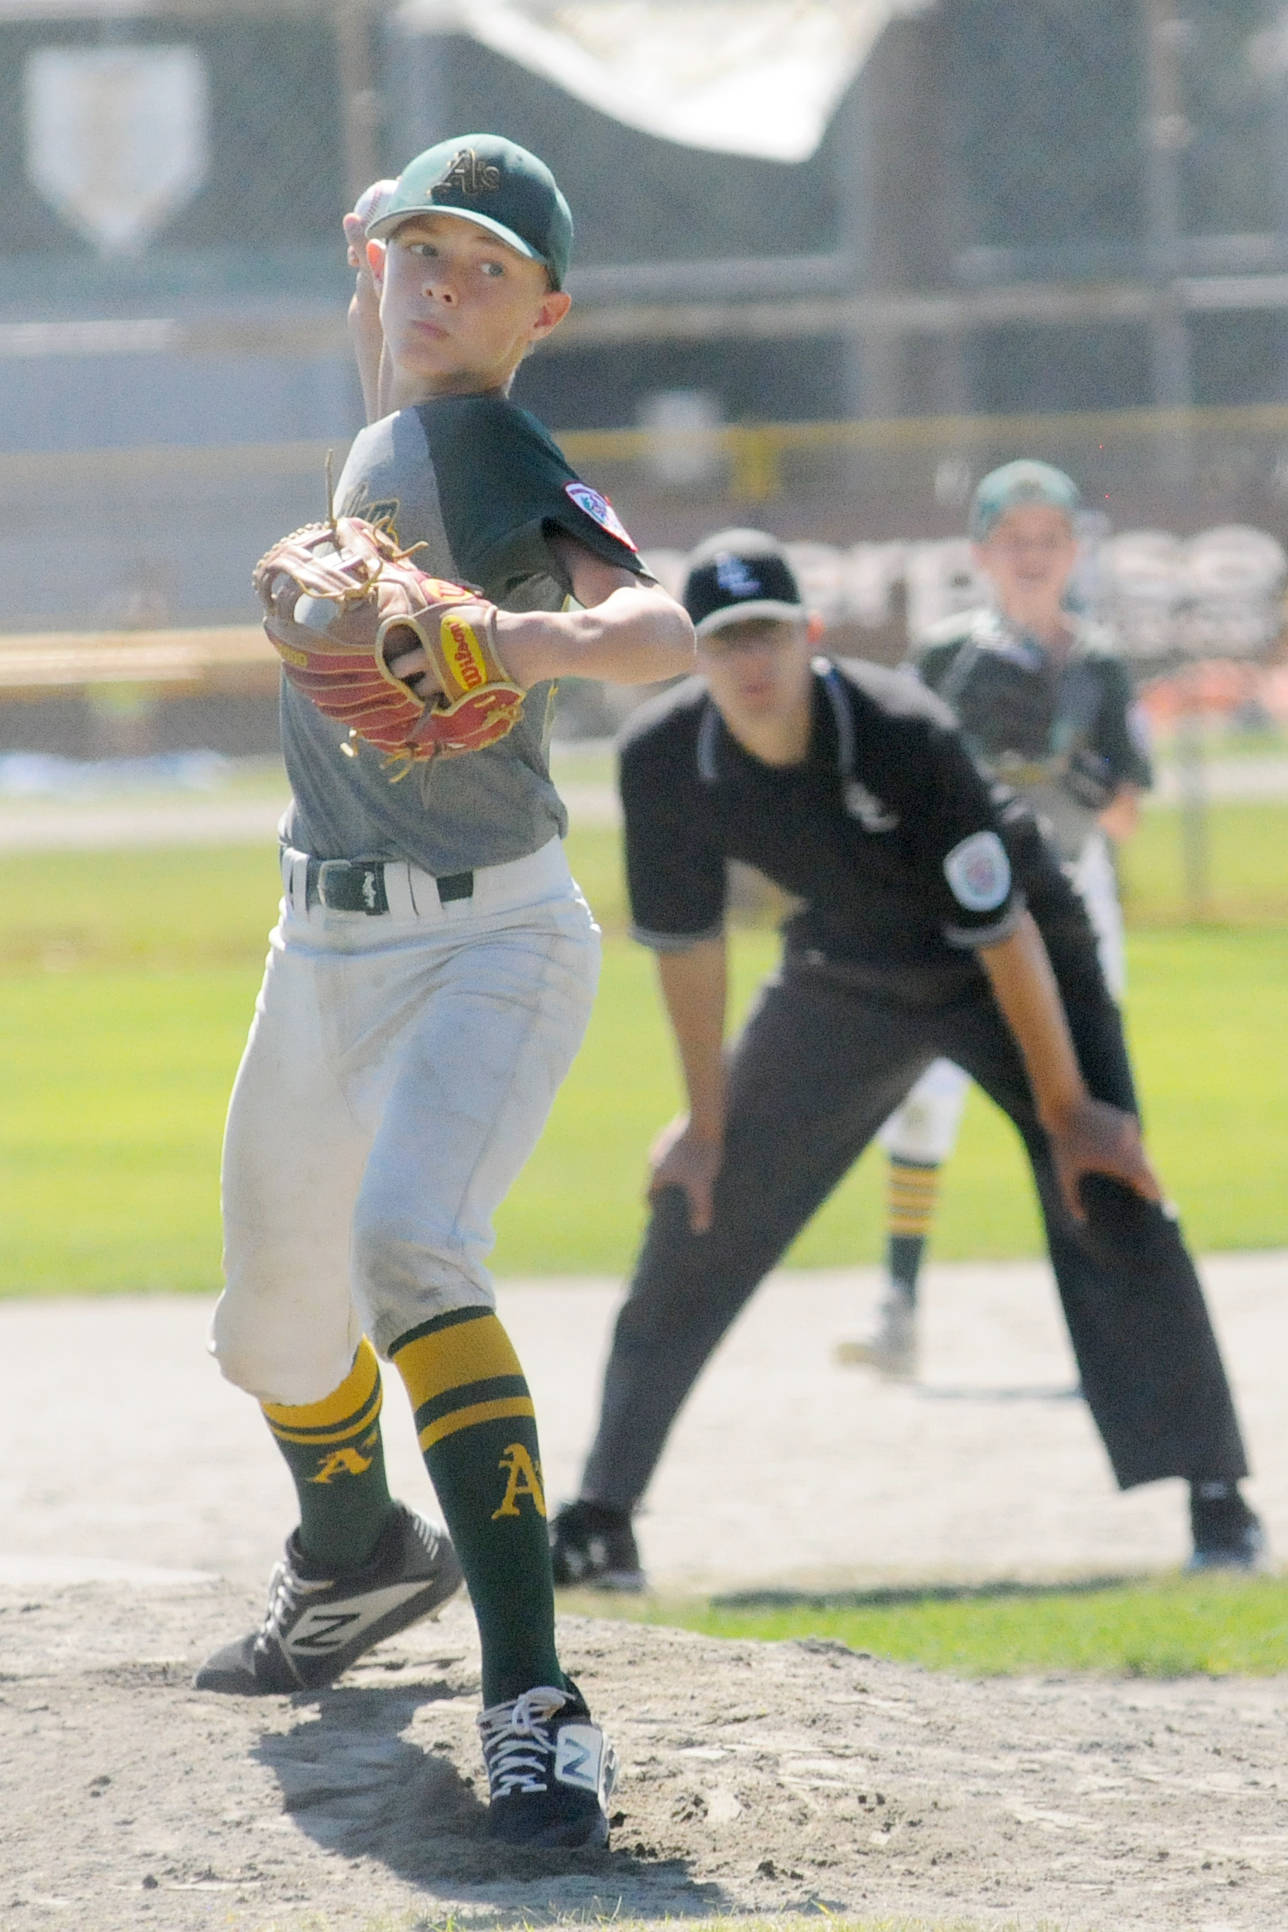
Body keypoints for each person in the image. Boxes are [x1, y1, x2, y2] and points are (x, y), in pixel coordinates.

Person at [194, 134, 695, 1851]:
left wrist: (514, 635)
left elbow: (660, 632)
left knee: (410, 1241)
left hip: (490, 937)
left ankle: (535, 1699)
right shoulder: (394, 400)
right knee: (270, 1322)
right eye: (418, 252)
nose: (438, 282)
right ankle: (353, 1560)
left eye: (483, 267)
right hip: (319, 941)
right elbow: (382, 337)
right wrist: (367, 264)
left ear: (541, 311)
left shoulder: (500, 444)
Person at [547, 527, 1263, 1594]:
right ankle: (602, 1514)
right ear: (694, 652)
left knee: (1103, 1176)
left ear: (811, 638)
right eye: (726, 636)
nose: (750, 661)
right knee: (702, 1196)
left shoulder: (899, 730)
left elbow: (1005, 933)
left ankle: (1215, 1500)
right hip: (843, 970)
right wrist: (704, 1126)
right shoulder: (665, 759)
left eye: (769, 634)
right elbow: (691, 955)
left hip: (1014, 957)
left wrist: (1068, 1110)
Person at [842, 460, 1153, 1381]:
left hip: (1076, 892)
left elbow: (1128, 812)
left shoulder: (1096, 664)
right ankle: (898, 1304)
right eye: (1013, 539)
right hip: (968, 892)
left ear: (1073, 551)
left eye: (1048, 539)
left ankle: (1123, 1312)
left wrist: (1088, 783)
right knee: (927, 1095)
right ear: (981, 553)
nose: (1031, 555)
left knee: (1093, 1094)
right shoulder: (947, 653)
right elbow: (889, 771)